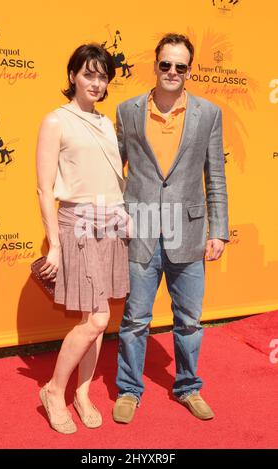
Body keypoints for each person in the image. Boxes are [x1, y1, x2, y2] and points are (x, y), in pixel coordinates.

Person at [112, 33, 229, 423]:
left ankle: (188, 386)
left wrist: (219, 229)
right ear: (156, 65)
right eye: (166, 64)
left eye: (181, 66)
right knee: (135, 320)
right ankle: (129, 389)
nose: (172, 72)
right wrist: (115, 215)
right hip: (141, 232)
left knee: (190, 320)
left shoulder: (208, 114)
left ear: (189, 70)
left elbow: (216, 176)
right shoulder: (127, 111)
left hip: (190, 232)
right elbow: (115, 171)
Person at [36, 43, 130, 434]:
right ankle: (54, 391)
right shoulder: (56, 120)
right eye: (89, 73)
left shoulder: (107, 122)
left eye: (103, 75)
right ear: (73, 75)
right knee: (96, 317)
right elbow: (44, 189)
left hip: (112, 225)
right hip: (78, 225)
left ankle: (83, 392)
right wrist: (54, 246)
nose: (96, 82)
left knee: (93, 319)